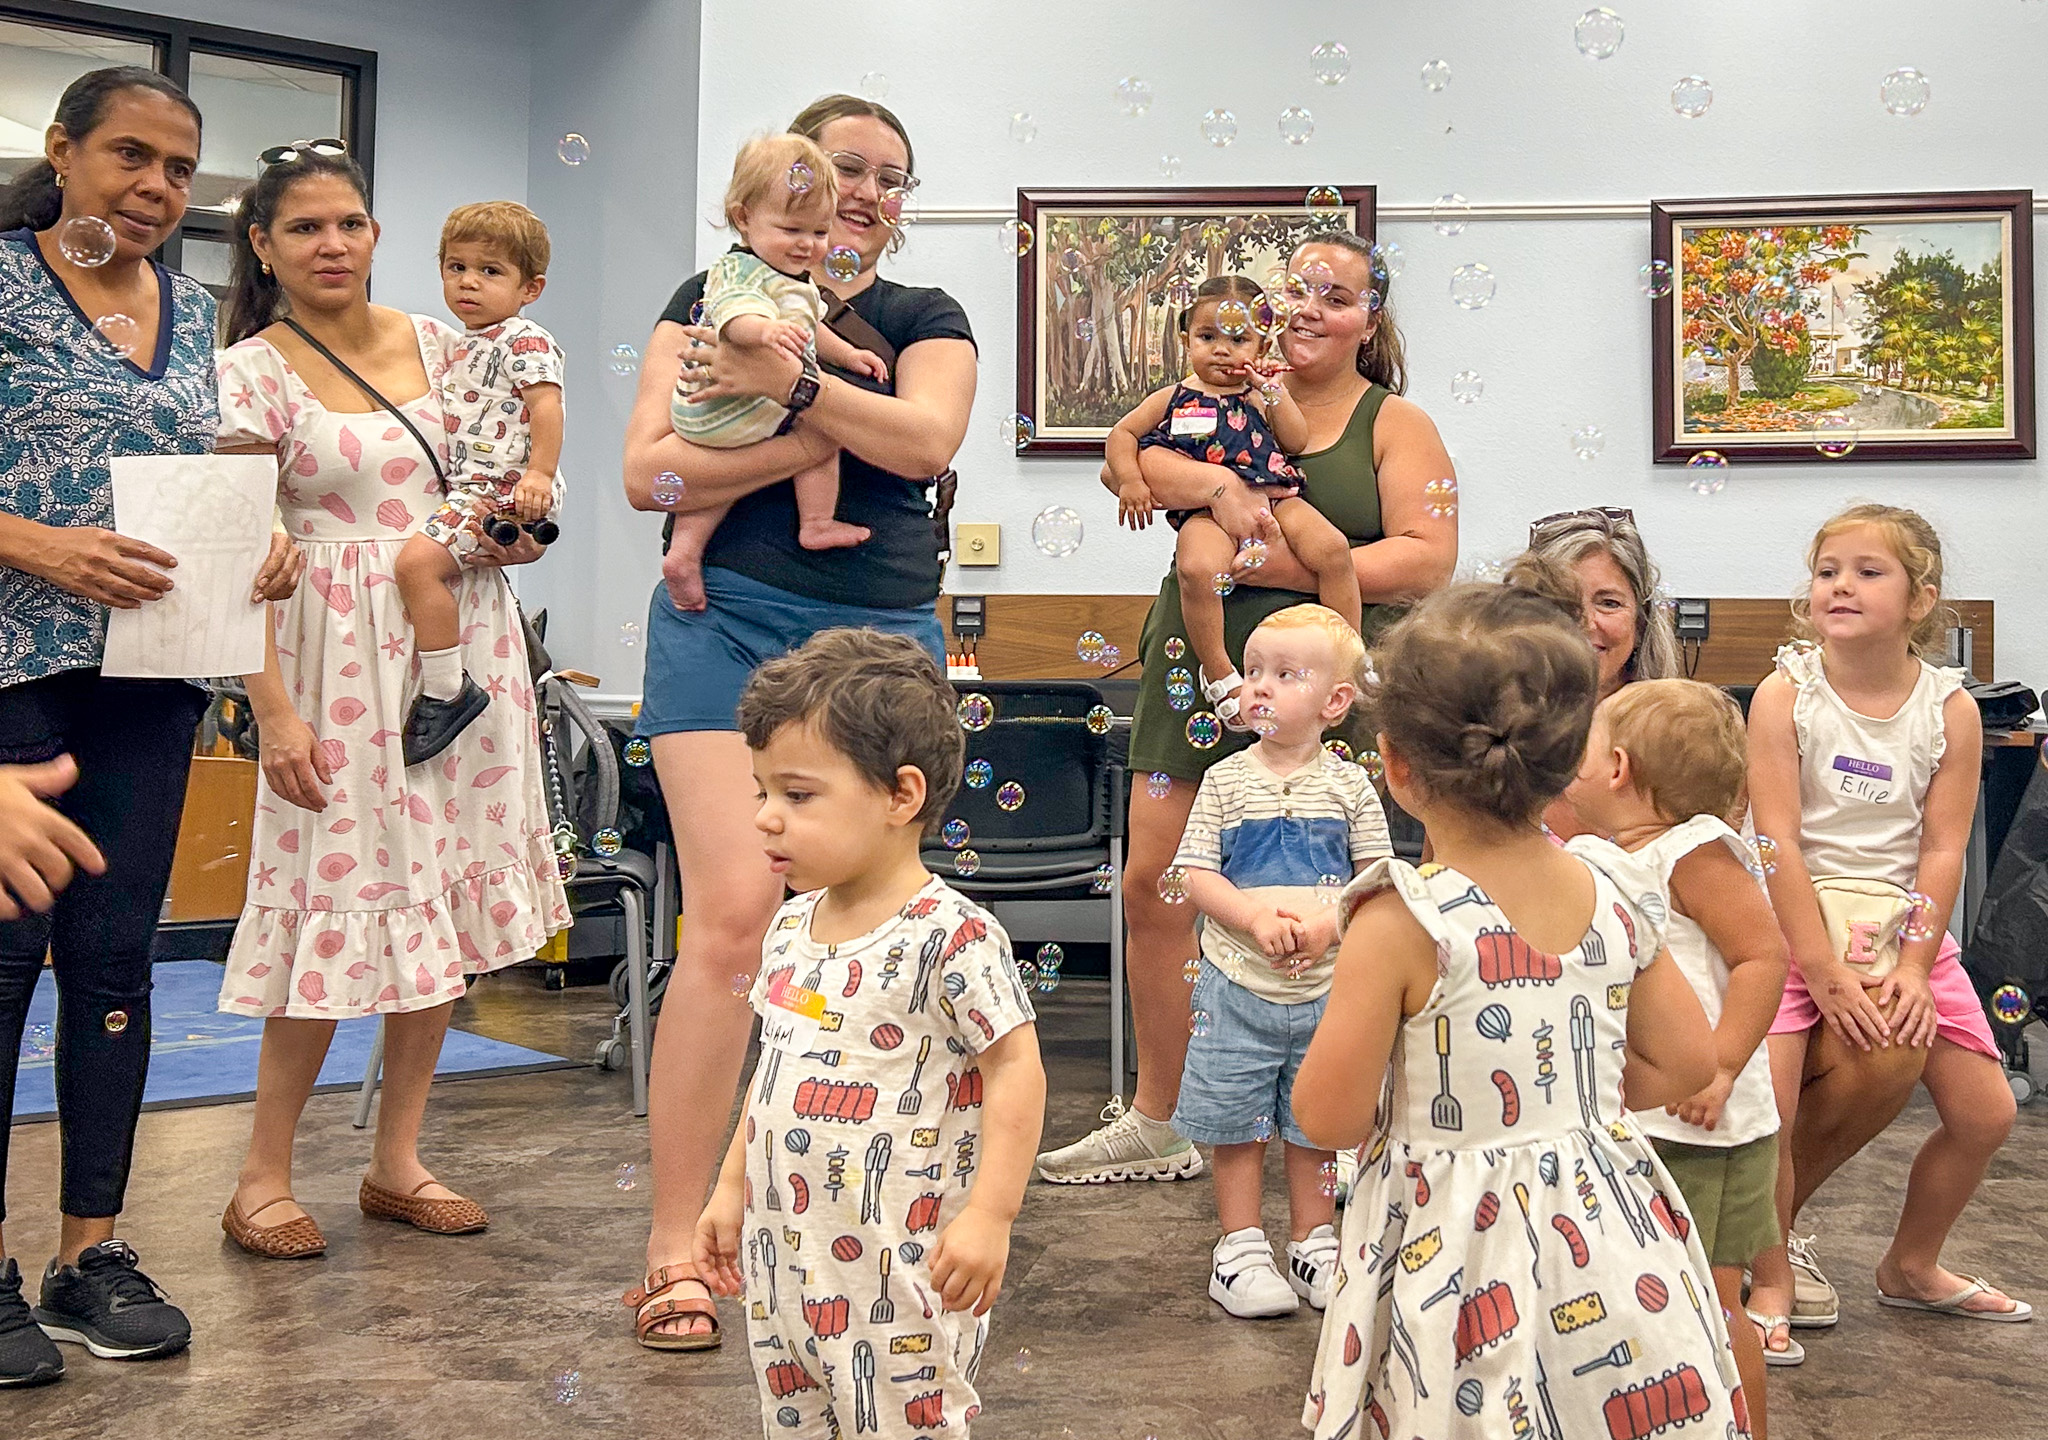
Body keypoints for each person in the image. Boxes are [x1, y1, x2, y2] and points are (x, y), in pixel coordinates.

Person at [621, 93, 975, 1349]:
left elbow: (924, 441)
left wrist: (786, 382)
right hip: (718, 617)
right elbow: (649, 473)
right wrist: (808, 424)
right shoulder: (706, 294)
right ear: (789, 183)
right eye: (841, 167)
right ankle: (675, 1247)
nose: (864, 191)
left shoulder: (925, 317)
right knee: (731, 916)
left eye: (890, 174)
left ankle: (867, 1219)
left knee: (876, 929)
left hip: (876, 646)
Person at [1037, 230, 1455, 1187]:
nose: (1310, 308)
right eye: (1295, 291)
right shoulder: (1205, 395)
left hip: (1330, 682)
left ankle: (1348, 1124)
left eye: (1337, 297)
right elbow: (1131, 468)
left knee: (1345, 890)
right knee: (1155, 882)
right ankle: (1163, 1118)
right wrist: (1218, 485)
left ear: (1369, 322)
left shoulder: (1394, 422)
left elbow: (1428, 559)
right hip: (1198, 670)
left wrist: (1278, 563)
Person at [212, 142, 569, 1261]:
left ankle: (397, 1160)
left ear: (374, 233)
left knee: (440, 903)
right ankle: (261, 1178)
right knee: (329, 896)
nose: (332, 244)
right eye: (305, 227)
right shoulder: (250, 371)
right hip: (328, 660)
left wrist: (515, 528)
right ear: (263, 245)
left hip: (459, 643)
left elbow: (504, 475)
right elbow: (235, 555)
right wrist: (272, 711)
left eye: (350, 223)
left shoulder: (450, 343)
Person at [0, 65, 296, 1384]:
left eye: (179, 169)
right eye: (130, 155)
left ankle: (92, 1255)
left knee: (116, 964)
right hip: (15, 665)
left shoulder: (189, 312)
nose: (157, 187)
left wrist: (257, 542)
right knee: (3, 963)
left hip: (151, 672)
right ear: (62, 150)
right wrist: (36, 545)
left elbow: (201, 477)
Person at [1292, 583, 1745, 1440]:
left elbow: (1326, 1115)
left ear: (1395, 765)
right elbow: (1689, 1061)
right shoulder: (1614, 885)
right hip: (1606, 1225)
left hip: (1450, 1248)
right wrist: (1568, 1106)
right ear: (1570, 762)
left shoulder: (1402, 919)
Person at [692, 629, 1044, 1436]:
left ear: (900, 795)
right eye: (761, 792)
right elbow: (773, 1071)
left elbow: (1017, 1069)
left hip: (901, 1273)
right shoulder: (790, 927)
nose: (765, 818)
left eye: (797, 795)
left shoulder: (952, 937)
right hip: (785, 1262)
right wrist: (729, 1188)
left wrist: (992, 1214)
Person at [1745, 504, 2027, 1360]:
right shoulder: (1786, 694)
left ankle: (1910, 1264)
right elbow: (1775, 840)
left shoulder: (1950, 709)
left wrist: (1912, 963)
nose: (1841, 586)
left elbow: (1942, 849)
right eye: (1827, 570)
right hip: (1793, 919)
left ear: (1921, 599)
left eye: (1869, 572)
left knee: (1986, 1114)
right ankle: (1770, 1279)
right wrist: (1819, 965)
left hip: (1900, 924)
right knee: (1771, 1112)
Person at [1565, 679, 1789, 1429]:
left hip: (1706, 1133)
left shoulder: (1692, 853)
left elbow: (1762, 958)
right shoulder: (1600, 855)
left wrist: (1720, 1064)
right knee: (1646, 1303)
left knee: (1711, 1307)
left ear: (1618, 768)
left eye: (1582, 746)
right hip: (1642, 1122)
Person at [1170, 605, 1388, 1318]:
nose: (1259, 686)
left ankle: (1312, 1241)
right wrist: (1253, 917)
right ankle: (1239, 1248)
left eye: (1286, 675)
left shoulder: (1351, 787)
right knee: (1236, 1120)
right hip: (1236, 985)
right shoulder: (1224, 781)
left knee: (1314, 1118)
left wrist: (1329, 924)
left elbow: (1378, 880)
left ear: (1335, 702)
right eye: (1252, 670)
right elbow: (1195, 875)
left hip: (1326, 988)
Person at [1107, 278, 1360, 728]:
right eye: (1207, 337)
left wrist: (1273, 391)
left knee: (1334, 550)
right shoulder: (1173, 398)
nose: (1222, 350)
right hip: (1204, 512)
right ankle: (1219, 671)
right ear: (1185, 340)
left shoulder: (1260, 395)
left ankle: (1347, 660)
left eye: (1239, 339)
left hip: (1274, 496)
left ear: (1263, 346)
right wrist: (1130, 480)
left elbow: (1296, 440)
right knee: (1197, 569)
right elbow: (1122, 434)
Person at [663, 132, 891, 612]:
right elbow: (735, 319)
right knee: (825, 429)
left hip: (721, 415)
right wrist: (764, 331)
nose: (808, 245)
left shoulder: (791, 279)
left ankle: (684, 551)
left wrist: (849, 354)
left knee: (718, 484)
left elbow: (811, 326)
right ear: (743, 218)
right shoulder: (742, 273)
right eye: (792, 230)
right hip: (730, 406)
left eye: (820, 232)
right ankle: (817, 522)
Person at [397, 200, 566, 765]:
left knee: (417, 566)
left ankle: (448, 690)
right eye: (457, 267)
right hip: (472, 487)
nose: (468, 282)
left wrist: (540, 473)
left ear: (530, 288)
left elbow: (547, 407)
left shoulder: (524, 339)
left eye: (490, 271)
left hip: (502, 487)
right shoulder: (460, 344)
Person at [1509, 508, 1682, 841]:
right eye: (1563, 604)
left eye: (1609, 603)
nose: (1586, 624)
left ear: (1641, 622)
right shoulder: (1487, 737)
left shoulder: (1681, 739)